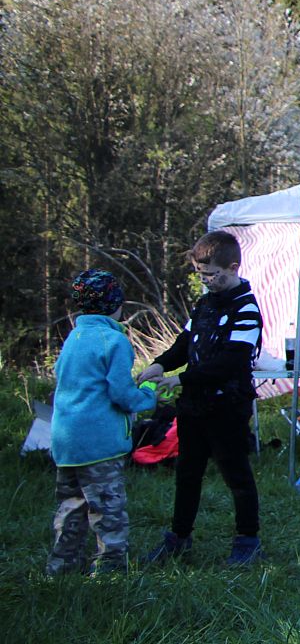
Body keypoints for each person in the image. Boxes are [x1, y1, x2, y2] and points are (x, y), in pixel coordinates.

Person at [141, 231, 266, 567]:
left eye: (212, 274)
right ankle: (179, 537)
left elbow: (231, 361)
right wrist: (159, 364)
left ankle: (248, 539)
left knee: (236, 474)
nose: (206, 281)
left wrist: (181, 378)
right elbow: (185, 343)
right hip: (194, 405)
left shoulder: (246, 309)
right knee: (187, 472)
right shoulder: (203, 305)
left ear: (233, 267)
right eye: (200, 274)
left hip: (227, 406)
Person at [47, 270, 158, 575]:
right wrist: (148, 394)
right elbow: (121, 393)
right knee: (108, 511)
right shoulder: (114, 340)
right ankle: (109, 571)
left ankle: (61, 566)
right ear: (115, 305)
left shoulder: (73, 338)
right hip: (100, 445)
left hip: (66, 442)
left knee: (71, 507)